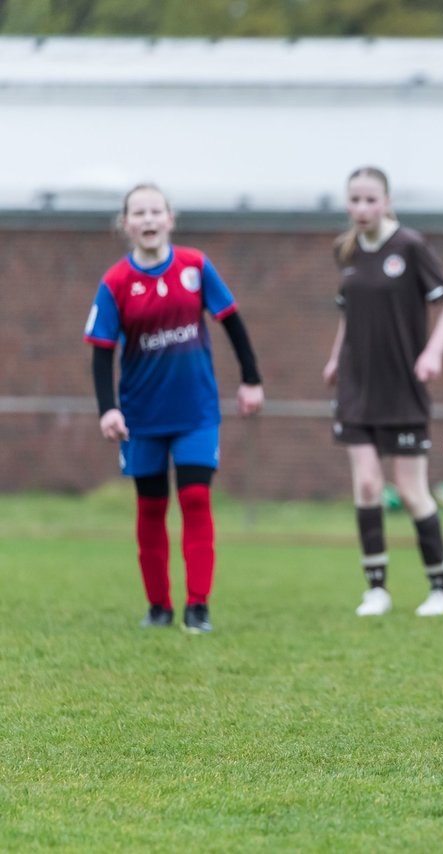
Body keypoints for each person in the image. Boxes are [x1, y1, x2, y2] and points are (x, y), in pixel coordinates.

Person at [84, 183, 265, 634]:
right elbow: (102, 351)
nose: (147, 220)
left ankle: (197, 606)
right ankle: (158, 607)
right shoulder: (115, 282)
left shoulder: (196, 267)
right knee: (150, 507)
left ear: (170, 218)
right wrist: (109, 410)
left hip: (196, 410)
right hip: (142, 415)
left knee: (195, 498)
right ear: (126, 224)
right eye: (138, 213)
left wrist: (251, 380)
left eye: (155, 211)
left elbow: (233, 323)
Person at [323, 167, 443, 618]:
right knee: (366, 484)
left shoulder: (409, 246)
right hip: (356, 386)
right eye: (355, 200)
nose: (362, 208)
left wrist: (433, 352)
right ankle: (376, 590)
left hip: (402, 388)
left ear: (386, 201)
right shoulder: (346, 251)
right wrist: (334, 357)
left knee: (410, 491)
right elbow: (348, 314)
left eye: (370, 199)